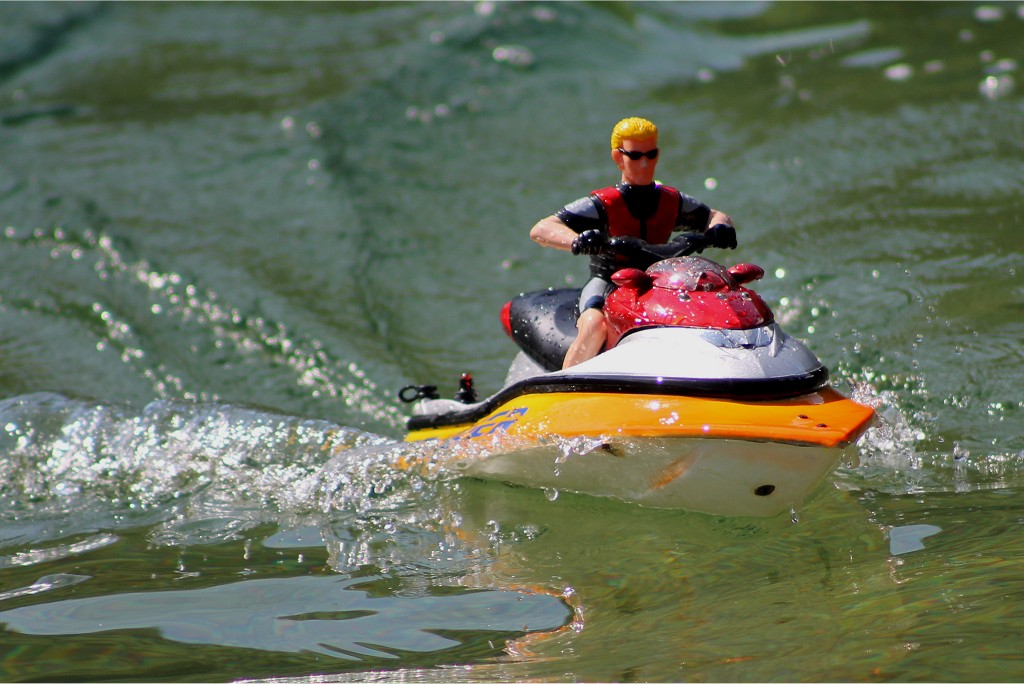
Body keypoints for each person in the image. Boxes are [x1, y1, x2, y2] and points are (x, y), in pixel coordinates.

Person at [529, 116, 737, 368]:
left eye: (651, 154)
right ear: (618, 157)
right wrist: (579, 240)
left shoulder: (672, 201)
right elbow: (542, 229)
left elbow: (716, 215)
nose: (645, 163)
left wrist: (719, 229)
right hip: (608, 282)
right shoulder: (603, 204)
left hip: (660, 282)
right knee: (594, 325)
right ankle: (565, 385)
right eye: (636, 156)